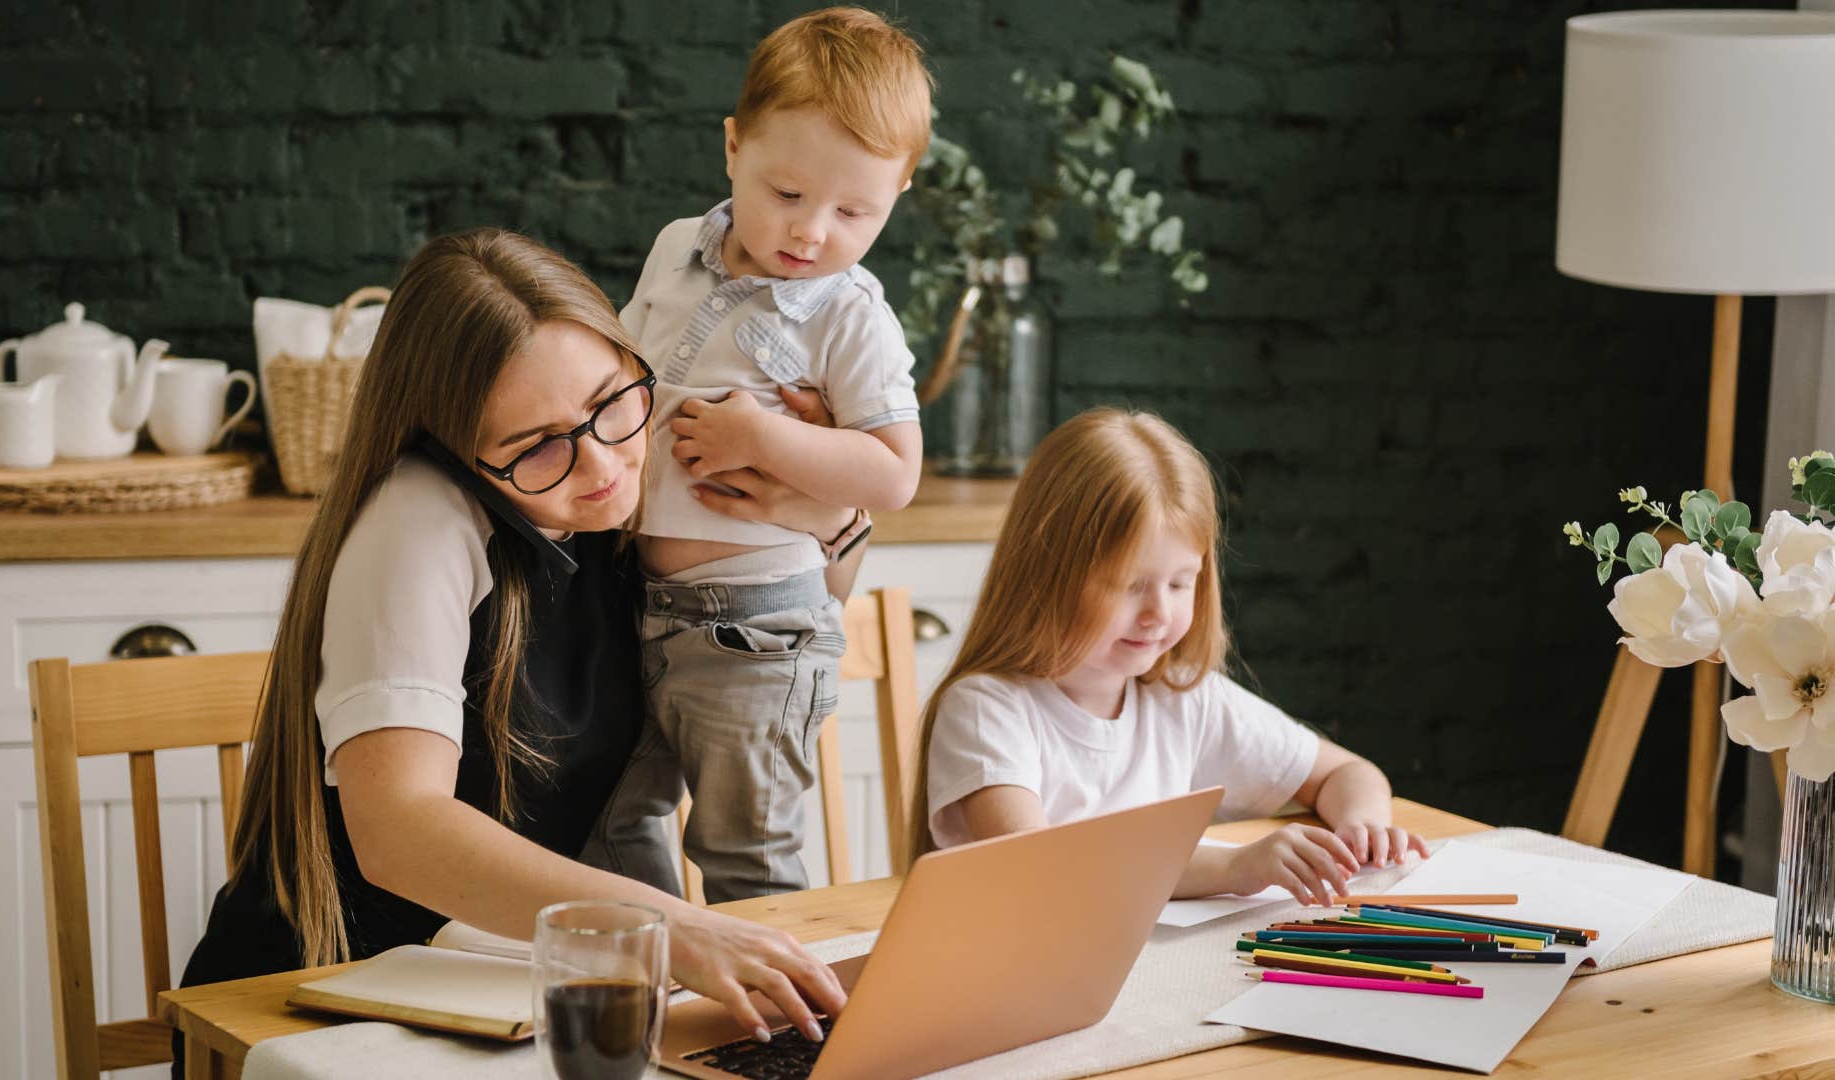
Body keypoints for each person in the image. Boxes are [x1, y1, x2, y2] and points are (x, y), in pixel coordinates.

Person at [174, 230, 852, 1075]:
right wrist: (673, 930)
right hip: (320, 1015)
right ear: (451, 448)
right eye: (536, 445)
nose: (602, 463)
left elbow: (778, 653)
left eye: (611, 402)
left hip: (494, 994)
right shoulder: (417, 521)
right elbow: (398, 828)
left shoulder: (625, 479)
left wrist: (820, 511)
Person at [595, 6, 932, 903]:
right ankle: (662, 985)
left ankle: (775, 1034)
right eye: (786, 193)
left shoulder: (851, 315)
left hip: (758, 630)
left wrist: (764, 437)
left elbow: (895, 472)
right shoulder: (675, 250)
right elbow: (620, 371)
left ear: (897, 193)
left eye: (854, 209)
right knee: (604, 822)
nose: (812, 231)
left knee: (744, 857)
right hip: (634, 602)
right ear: (734, 148)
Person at [912, 408, 1429, 905]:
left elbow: (1348, 774)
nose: (1159, 612)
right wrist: (1234, 867)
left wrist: (1363, 826)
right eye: (1132, 585)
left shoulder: (1182, 695)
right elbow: (1048, 870)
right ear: (1047, 576)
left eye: (1181, 583)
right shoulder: (986, 710)